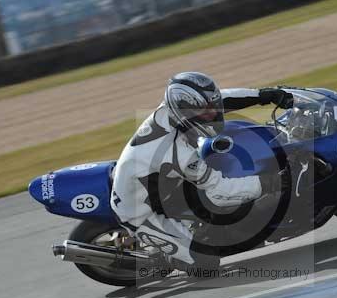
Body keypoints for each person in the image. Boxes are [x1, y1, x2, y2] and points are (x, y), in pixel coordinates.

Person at [110, 71, 294, 272]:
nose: (213, 114)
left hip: (166, 184)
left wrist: (265, 95)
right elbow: (220, 193)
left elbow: (224, 97)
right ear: (186, 111)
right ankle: (163, 257)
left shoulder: (175, 111)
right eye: (206, 112)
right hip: (140, 212)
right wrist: (272, 183)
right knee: (206, 264)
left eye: (212, 107)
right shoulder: (175, 152)